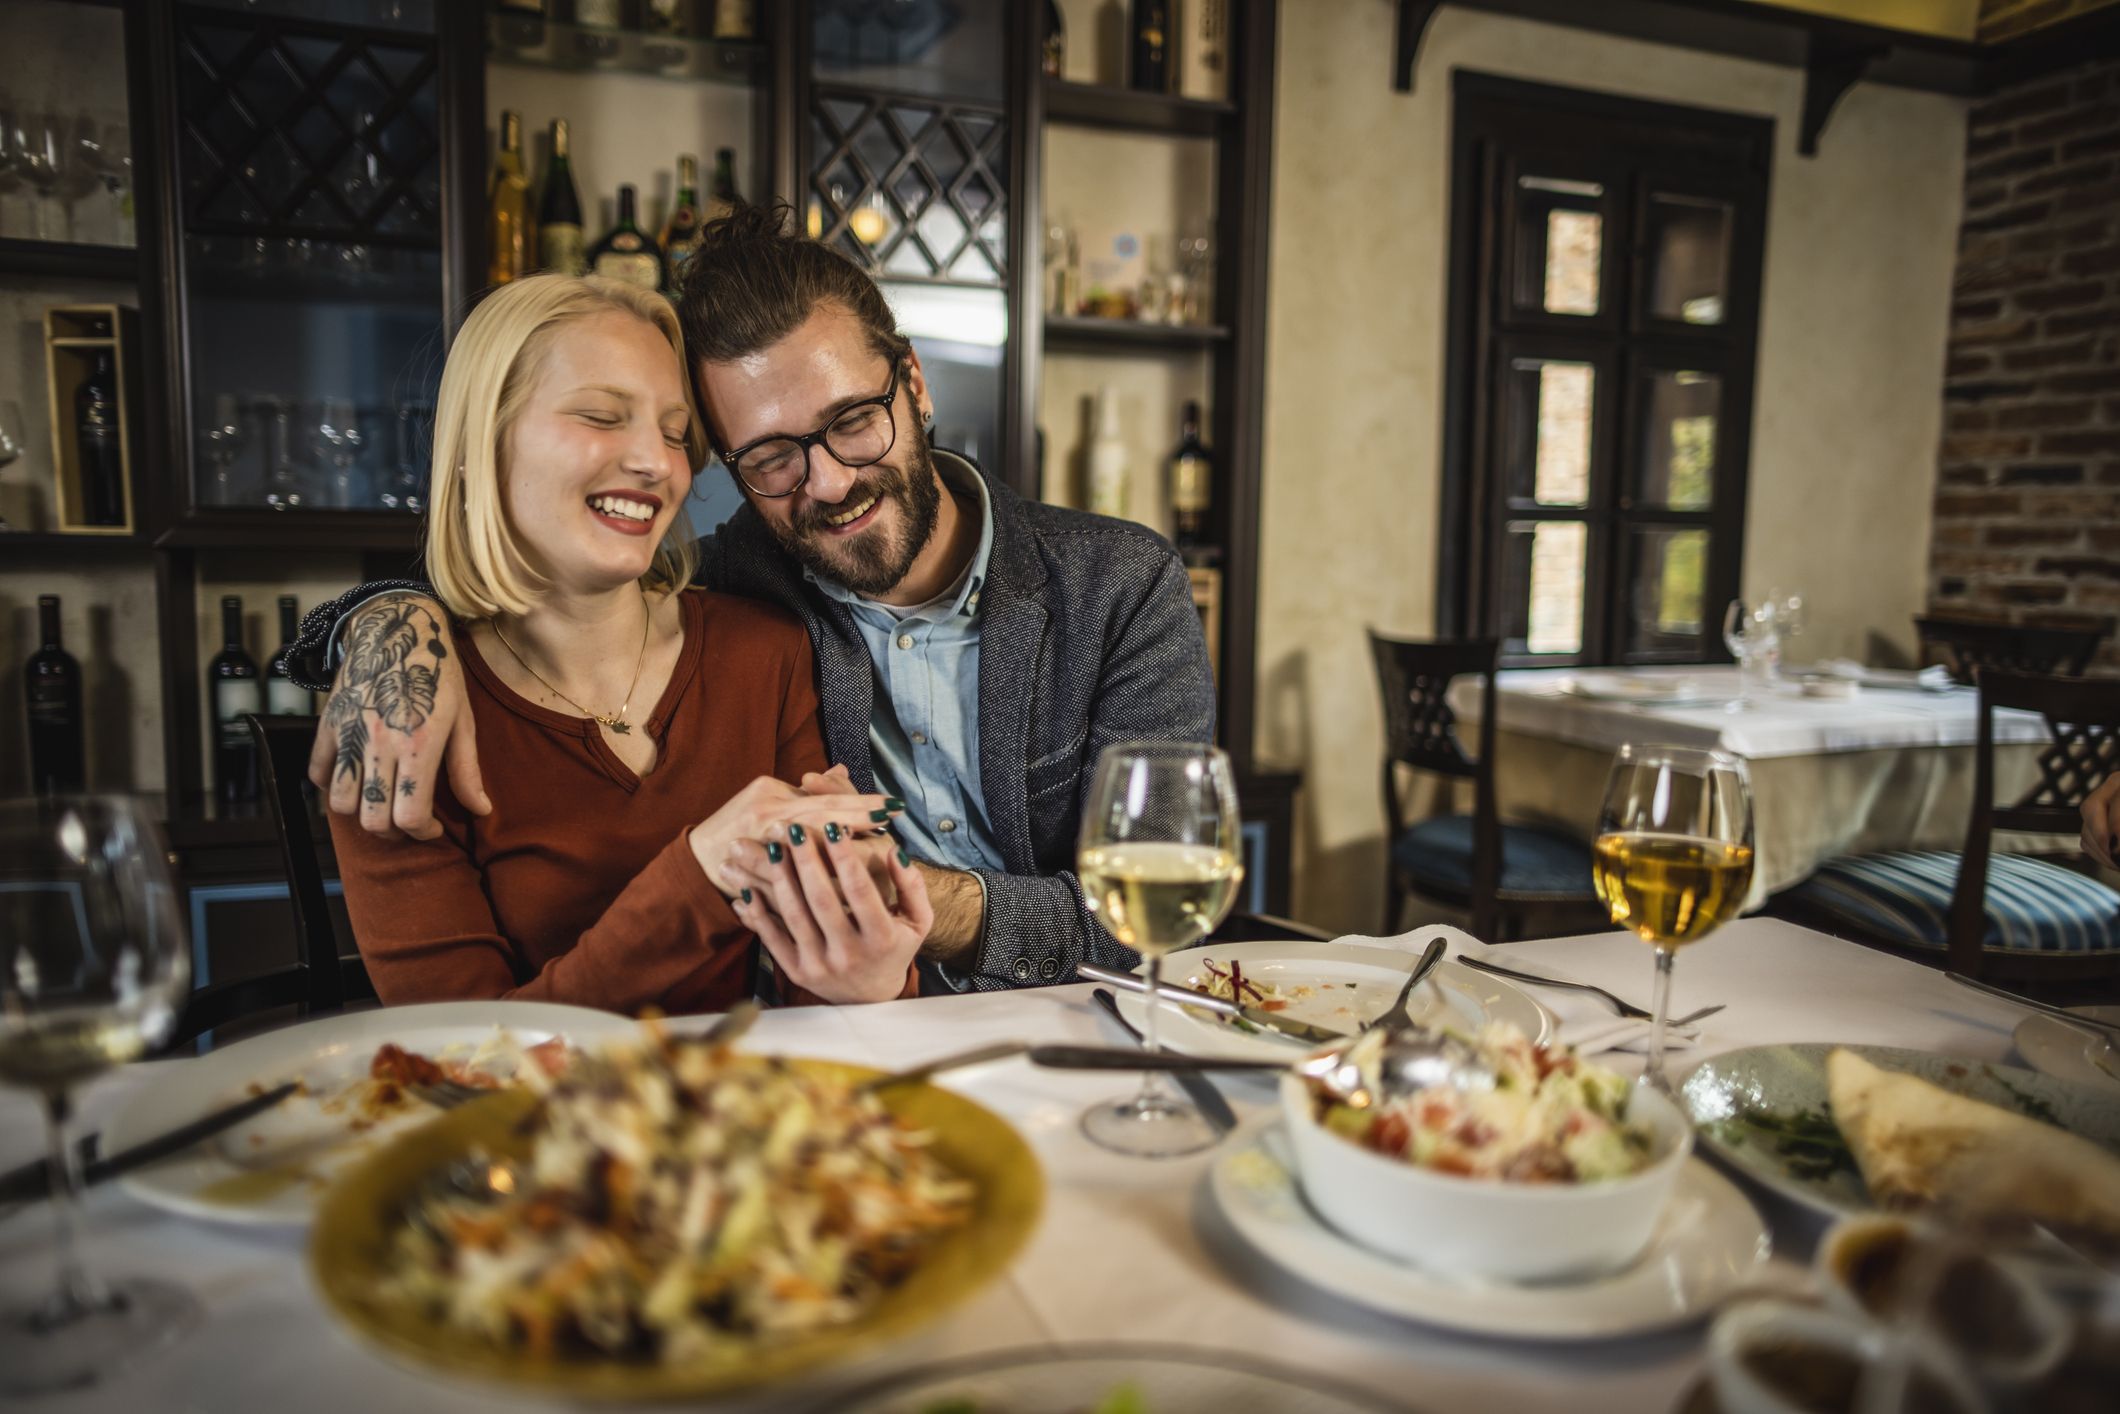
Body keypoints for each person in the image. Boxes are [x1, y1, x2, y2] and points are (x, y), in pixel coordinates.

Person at [289, 203, 1216, 995]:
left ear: (915, 385)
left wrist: (916, 903)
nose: (826, 485)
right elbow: (544, 573)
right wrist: (380, 622)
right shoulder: (747, 584)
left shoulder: (1116, 588)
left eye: (854, 421)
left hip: (1084, 1035)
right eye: (770, 458)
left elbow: (1161, 929)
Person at [326, 272, 929, 1013]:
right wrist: (700, 875)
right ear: (482, 439)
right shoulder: (395, 715)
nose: (656, 462)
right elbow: (458, 1054)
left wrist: (867, 979)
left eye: (676, 434)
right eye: (603, 418)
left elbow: (815, 995)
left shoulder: (764, 652)